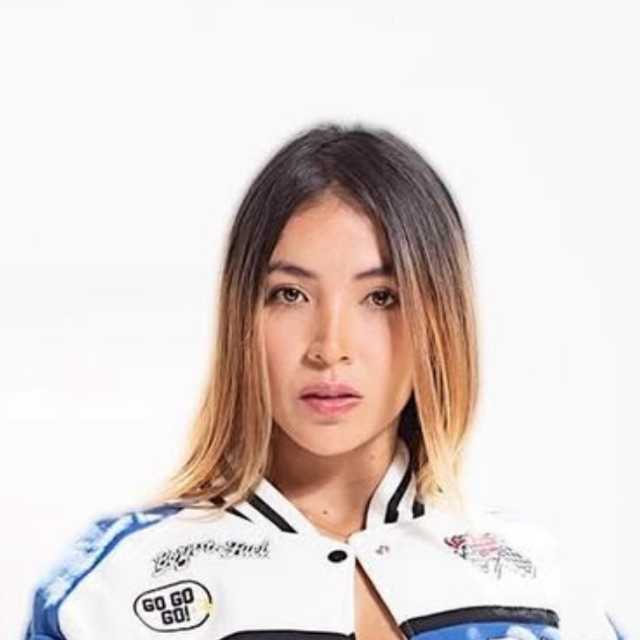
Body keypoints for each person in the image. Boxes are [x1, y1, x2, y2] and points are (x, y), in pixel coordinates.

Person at [23, 123, 625, 640]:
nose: (330, 347)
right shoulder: (110, 589)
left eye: (381, 297)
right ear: (241, 316)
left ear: (441, 320)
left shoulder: (541, 585)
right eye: (290, 294)